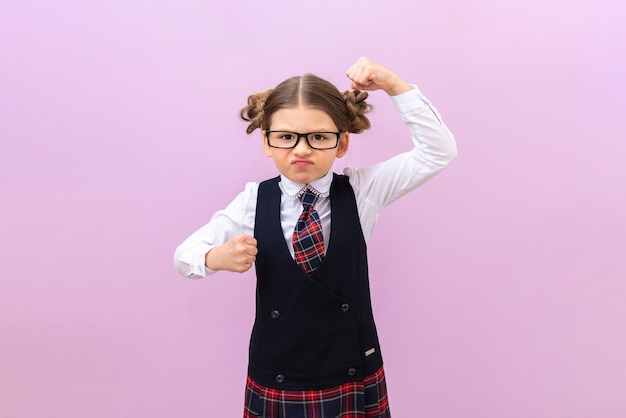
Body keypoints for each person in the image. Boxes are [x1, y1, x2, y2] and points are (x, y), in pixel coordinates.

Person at [173, 57, 457, 418]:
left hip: (351, 368)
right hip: (278, 374)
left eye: (319, 137)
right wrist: (216, 257)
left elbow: (438, 152)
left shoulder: (363, 190)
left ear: (341, 144)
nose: (302, 149)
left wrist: (393, 85)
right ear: (267, 142)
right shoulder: (252, 201)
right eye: (287, 137)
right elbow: (184, 255)